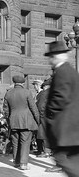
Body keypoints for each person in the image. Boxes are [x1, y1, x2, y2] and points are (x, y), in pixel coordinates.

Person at [44, 41, 79, 176]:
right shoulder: (71, 71)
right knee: (73, 160)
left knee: (62, 159)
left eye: (51, 57)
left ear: (56, 56)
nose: (49, 61)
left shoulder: (62, 72)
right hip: (72, 129)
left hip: (65, 129)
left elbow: (60, 98)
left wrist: (50, 114)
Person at [3, 75, 39, 170]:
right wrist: (37, 120)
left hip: (13, 120)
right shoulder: (27, 92)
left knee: (15, 142)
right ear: (23, 83)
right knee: (25, 142)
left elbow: (6, 110)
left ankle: (16, 162)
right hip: (26, 121)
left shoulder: (8, 93)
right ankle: (23, 163)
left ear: (14, 83)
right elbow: (33, 108)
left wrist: (8, 120)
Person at [36, 78, 53, 158]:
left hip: (45, 116)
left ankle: (47, 151)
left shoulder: (44, 93)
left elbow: (40, 106)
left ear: (45, 86)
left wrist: (40, 116)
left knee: (44, 134)